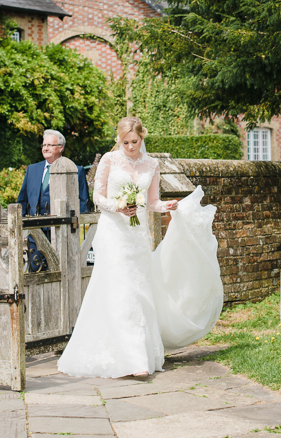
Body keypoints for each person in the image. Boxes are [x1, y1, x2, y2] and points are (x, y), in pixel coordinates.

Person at [57, 117, 224, 378]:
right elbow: (97, 197)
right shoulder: (109, 161)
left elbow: (152, 201)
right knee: (121, 292)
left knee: (140, 292)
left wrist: (166, 206)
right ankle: (134, 360)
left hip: (137, 237)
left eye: (135, 141)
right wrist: (118, 206)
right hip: (114, 234)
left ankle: (141, 354)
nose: (131, 147)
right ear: (118, 140)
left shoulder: (152, 164)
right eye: (125, 142)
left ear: (142, 137)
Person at [17, 129, 90, 270]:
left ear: (60, 148)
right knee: (37, 273)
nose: (45, 148)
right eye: (44, 145)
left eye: (50, 145)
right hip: (35, 233)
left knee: (61, 271)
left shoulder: (76, 170)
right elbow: (22, 201)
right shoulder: (32, 169)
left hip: (62, 232)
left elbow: (83, 202)